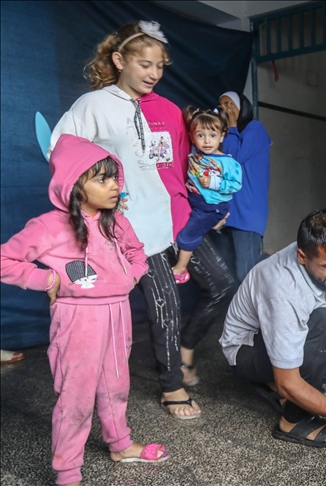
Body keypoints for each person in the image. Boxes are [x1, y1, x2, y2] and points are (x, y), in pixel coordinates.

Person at [49, 21, 235, 420]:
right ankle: (172, 386)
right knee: (164, 304)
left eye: (160, 66)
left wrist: (211, 204)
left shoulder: (164, 110)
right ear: (120, 61)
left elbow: (185, 165)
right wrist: (96, 197)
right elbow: (59, 150)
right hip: (133, 227)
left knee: (221, 284)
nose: (153, 74)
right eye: (144, 64)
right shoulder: (93, 105)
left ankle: (184, 353)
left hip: (174, 219)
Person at [0, 135, 169, 486]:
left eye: (114, 178)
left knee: (117, 385)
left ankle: (120, 445)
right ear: (74, 185)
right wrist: (44, 280)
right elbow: (5, 259)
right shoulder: (48, 226)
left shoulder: (116, 221)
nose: (114, 186)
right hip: (78, 319)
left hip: (117, 313)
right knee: (75, 396)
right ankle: (68, 472)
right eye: (102, 179)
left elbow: (138, 254)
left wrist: (131, 275)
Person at [220, 209, 326, 450]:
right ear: (301, 256)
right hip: (247, 351)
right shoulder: (283, 292)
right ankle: (292, 419)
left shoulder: (320, 258)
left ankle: (291, 384)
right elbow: (319, 309)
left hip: (300, 330)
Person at [171, 108, 242, 283]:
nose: (207, 141)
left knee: (187, 236)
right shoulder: (197, 152)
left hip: (211, 207)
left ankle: (180, 270)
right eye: (201, 135)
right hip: (196, 202)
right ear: (193, 136)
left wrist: (213, 182)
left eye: (212, 135)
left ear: (222, 136)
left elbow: (236, 184)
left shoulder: (228, 162)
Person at [217, 91, 272, 282]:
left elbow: (233, 158)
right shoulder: (223, 137)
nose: (225, 109)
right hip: (229, 214)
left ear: (243, 108)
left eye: (230, 104)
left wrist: (232, 126)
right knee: (232, 274)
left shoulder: (255, 129)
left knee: (246, 274)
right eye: (221, 106)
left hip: (248, 215)